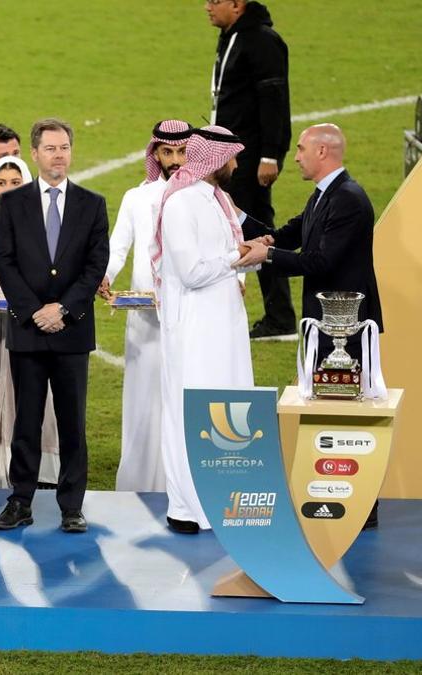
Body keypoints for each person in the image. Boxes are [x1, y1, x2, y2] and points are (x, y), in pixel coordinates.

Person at [234, 123, 385, 529]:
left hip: (346, 329)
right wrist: (241, 221)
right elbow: (289, 233)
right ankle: (332, 495)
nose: (295, 156)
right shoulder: (327, 195)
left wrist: (264, 257)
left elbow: (320, 261)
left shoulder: (348, 200)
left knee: (346, 414)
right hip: (324, 324)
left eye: (300, 149)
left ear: (322, 152)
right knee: (328, 409)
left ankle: (359, 506)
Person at [0, 118, 109, 533]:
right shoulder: (12, 203)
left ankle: (71, 506)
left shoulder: (93, 204)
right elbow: (4, 259)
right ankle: (20, 500)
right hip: (28, 331)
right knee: (26, 421)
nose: (59, 155)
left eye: (64, 148)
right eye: (51, 148)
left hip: (72, 332)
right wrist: (33, 310)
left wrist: (64, 310)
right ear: (35, 154)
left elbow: (96, 265)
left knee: (73, 422)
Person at [152, 125, 255, 534]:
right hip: (193, 329)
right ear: (214, 158)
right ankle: (186, 508)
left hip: (223, 325)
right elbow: (192, 272)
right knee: (190, 413)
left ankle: (221, 504)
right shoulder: (180, 204)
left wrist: (251, 254)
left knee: (229, 411)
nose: (236, 163)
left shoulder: (219, 200)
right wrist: (238, 257)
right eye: (232, 156)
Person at [98, 120, 192, 493]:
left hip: (189, 315)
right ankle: (140, 481)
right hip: (143, 317)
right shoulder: (136, 198)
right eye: (166, 152)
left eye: (182, 152)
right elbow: (117, 247)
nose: (174, 160)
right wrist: (103, 276)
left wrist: (238, 281)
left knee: (183, 395)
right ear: (154, 153)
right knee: (142, 397)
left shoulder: (203, 196)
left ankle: (182, 480)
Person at [206, 0, 294, 339]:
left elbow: (275, 101)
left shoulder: (261, 41)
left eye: (215, 1)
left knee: (243, 228)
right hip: (232, 154)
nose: (207, 7)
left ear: (237, 4)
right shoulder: (232, 37)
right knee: (254, 228)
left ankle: (275, 315)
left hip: (248, 157)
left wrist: (271, 155)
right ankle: (279, 315)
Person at [0, 156, 61, 489]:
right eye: (1, 183)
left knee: (31, 393)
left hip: (30, 326)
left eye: (16, 183)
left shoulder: (44, 224)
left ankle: (35, 469)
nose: (8, 190)